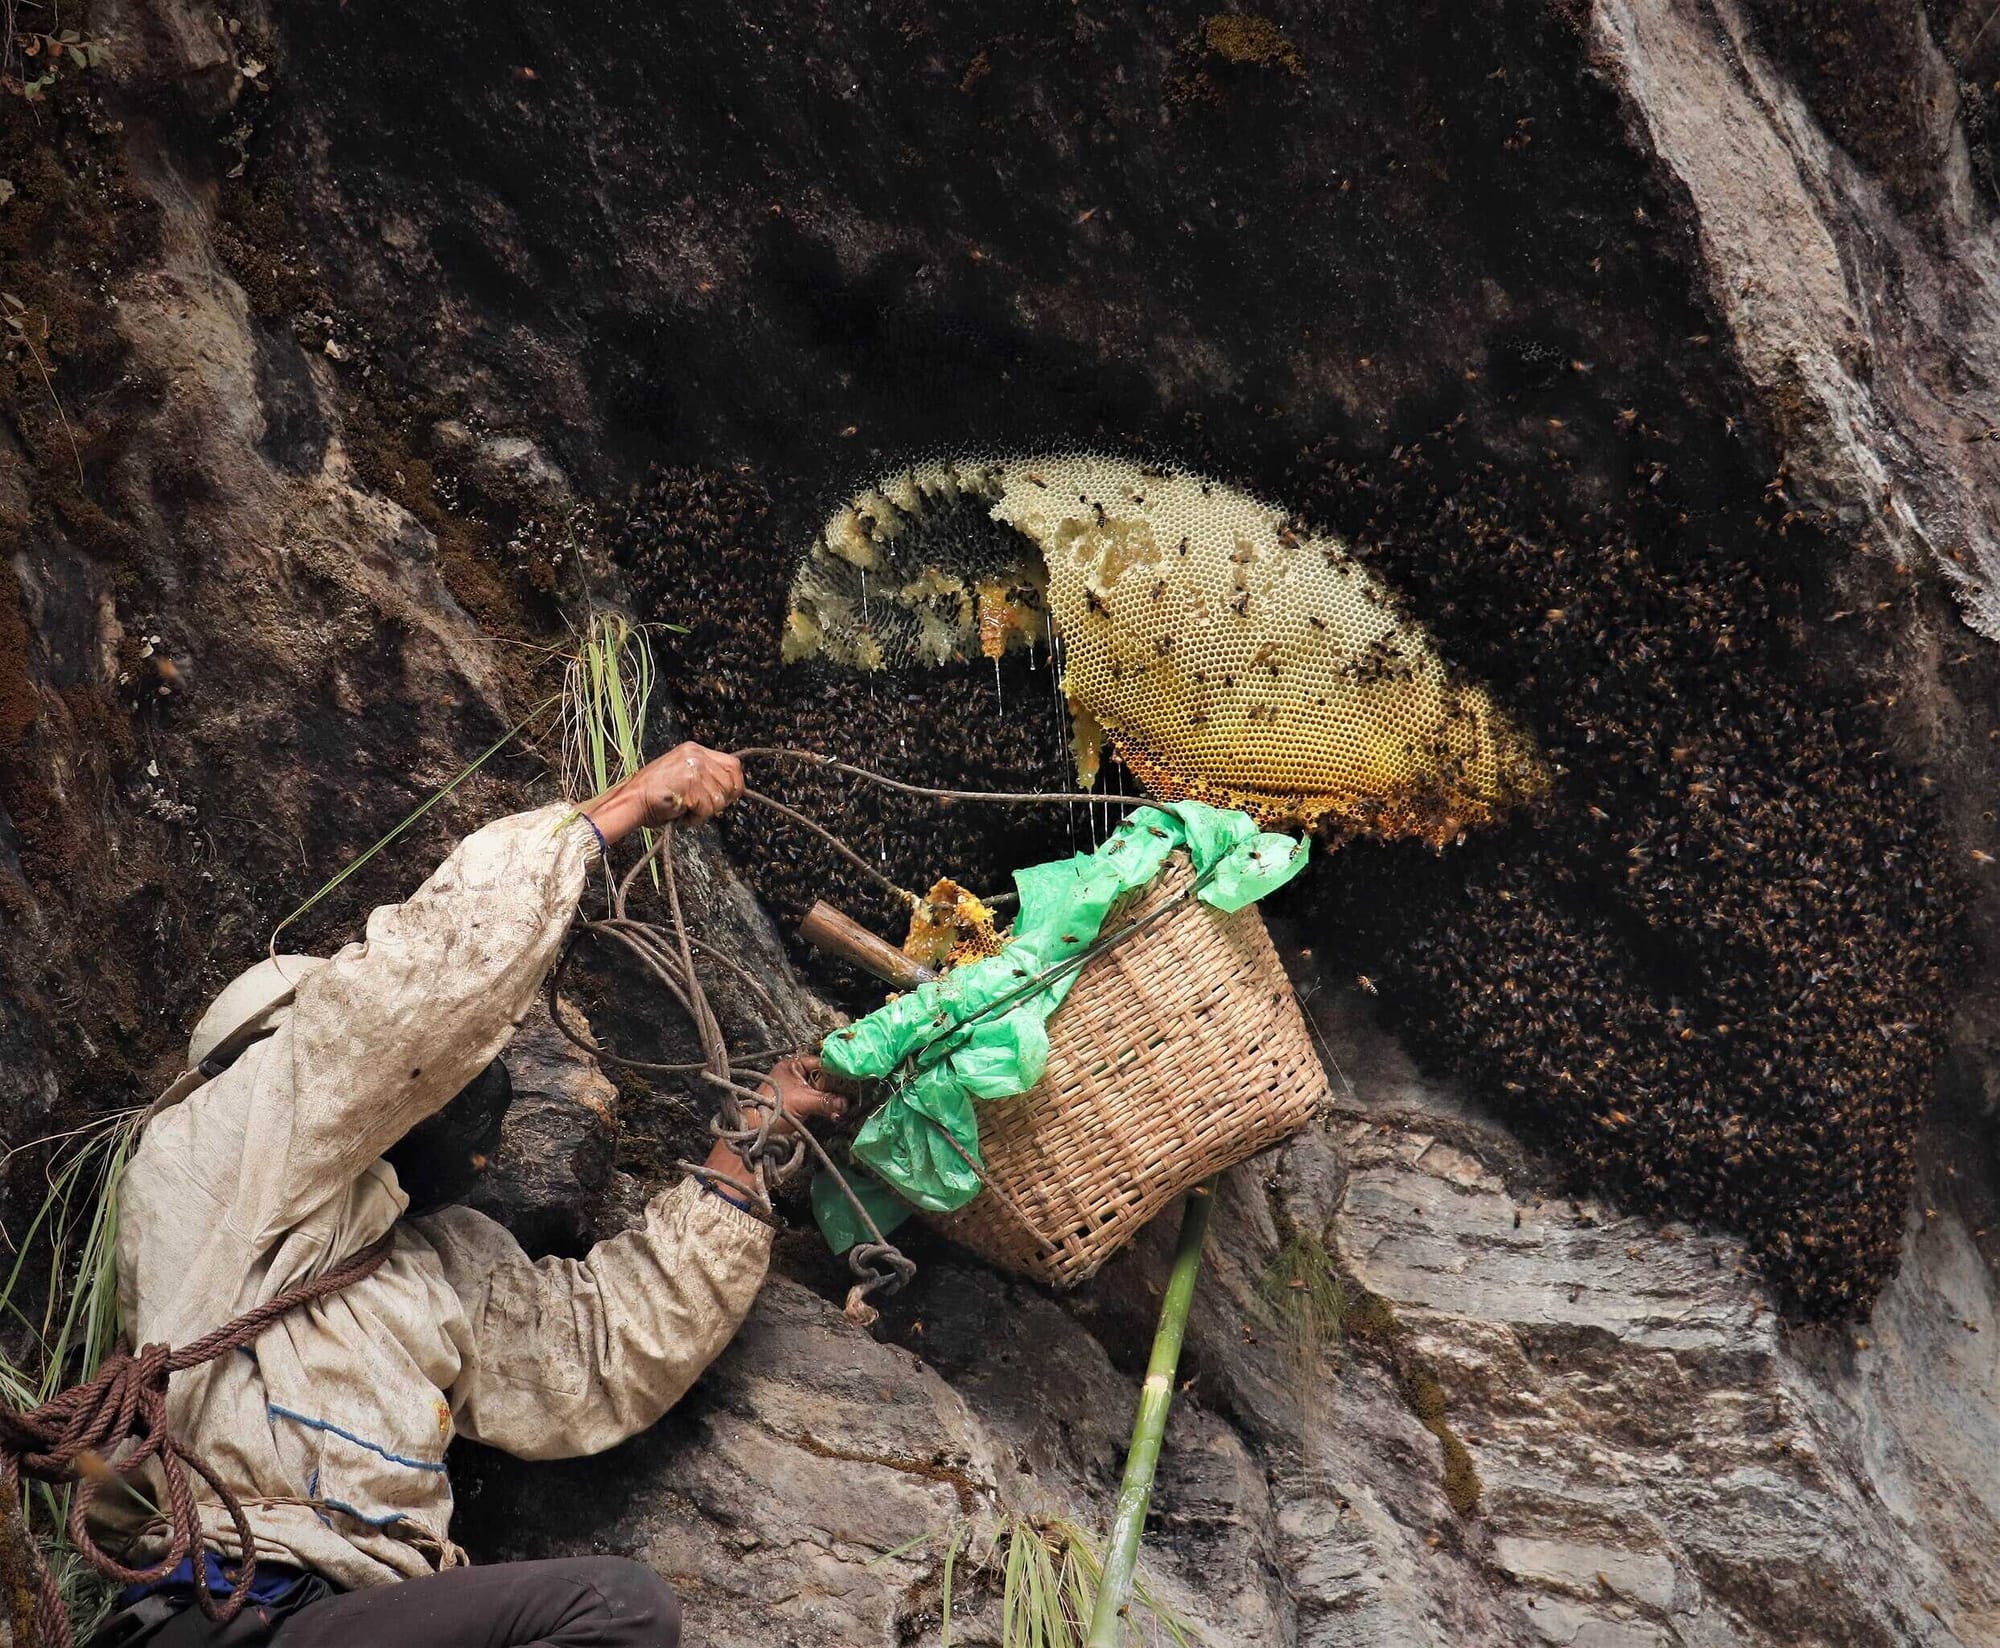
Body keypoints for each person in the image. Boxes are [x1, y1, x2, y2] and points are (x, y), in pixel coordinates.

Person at [87, 744, 840, 1648]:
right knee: (618, 1611)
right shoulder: (224, 1148)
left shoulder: (430, 1262)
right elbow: (410, 998)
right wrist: (619, 810)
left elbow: (593, 1351)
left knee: (620, 1614)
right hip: (221, 1612)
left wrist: (749, 1145)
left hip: (359, 1616)